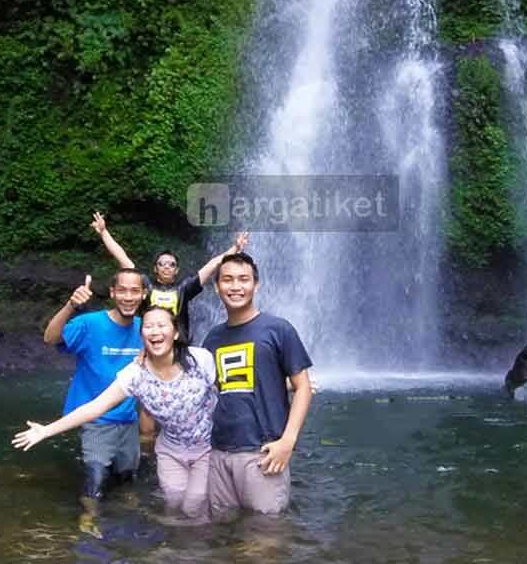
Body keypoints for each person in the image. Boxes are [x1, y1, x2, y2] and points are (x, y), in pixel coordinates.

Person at [16, 305, 218, 519]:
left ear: (175, 332)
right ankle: (176, 539)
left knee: (195, 504)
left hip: (207, 446)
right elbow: (95, 406)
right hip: (171, 449)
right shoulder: (135, 375)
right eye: (149, 326)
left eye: (161, 325)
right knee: (174, 503)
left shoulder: (201, 360)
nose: (155, 331)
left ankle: (204, 540)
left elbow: (227, 395)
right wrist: (46, 430)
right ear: (141, 336)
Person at [200, 252, 313, 517]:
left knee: (265, 533)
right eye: (228, 279)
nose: (235, 286)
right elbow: (209, 390)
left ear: (256, 284)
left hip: (263, 452)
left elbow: (303, 387)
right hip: (218, 452)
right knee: (222, 529)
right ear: (217, 286)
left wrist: (287, 442)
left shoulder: (278, 329)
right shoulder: (212, 338)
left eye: (244, 279)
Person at [41, 269, 146, 528]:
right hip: (95, 418)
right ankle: (88, 522)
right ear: (112, 292)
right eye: (122, 290)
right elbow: (50, 338)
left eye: (135, 291)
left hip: (128, 419)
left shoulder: (146, 327)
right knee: (95, 479)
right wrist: (71, 306)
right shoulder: (90, 324)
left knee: (126, 478)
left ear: (144, 294)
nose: (128, 297)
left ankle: (128, 522)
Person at [90, 211, 247, 340]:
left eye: (171, 264)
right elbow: (123, 259)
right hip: (150, 344)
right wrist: (104, 233)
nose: (166, 267)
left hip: (179, 346)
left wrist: (234, 248)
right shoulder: (146, 285)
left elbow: (211, 266)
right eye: (162, 264)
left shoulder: (184, 288)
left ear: (176, 270)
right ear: (155, 269)